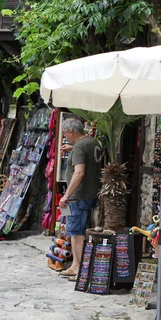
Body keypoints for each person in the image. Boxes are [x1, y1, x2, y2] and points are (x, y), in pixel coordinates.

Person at [58, 118, 103, 277]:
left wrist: (66, 195)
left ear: (71, 131)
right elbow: (88, 158)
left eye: (65, 133)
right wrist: (73, 149)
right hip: (90, 194)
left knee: (76, 232)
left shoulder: (79, 147)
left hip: (78, 196)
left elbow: (79, 173)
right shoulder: (92, 142)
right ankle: (76, 266)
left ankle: (81, 268)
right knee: (76, 230)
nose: (65, 136)